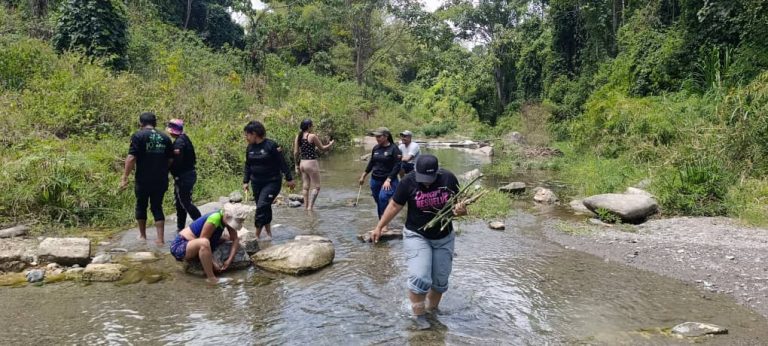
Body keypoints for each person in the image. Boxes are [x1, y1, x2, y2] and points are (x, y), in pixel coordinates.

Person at [370, 154, 467, 330]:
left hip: (443, 237)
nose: (426, 183)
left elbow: (460, 207)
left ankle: (432, 310)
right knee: (420, 277)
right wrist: (379, 227)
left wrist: (461, 211)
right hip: (417, 235)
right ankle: (419, 315)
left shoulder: (449, 178)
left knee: (440, 280)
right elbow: (394, 206)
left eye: (430, 179)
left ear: (437, 172)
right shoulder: (408, 182)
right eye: (423, 179)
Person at [120, 112, 173, 246]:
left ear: (141, 123)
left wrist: (125, 177)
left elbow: (131, 158)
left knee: (141, 205)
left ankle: (142, 236)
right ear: (155, 123)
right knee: (157, 206)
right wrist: (162, 169)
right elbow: (171, 159)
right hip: (160, 179)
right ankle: (160, 239)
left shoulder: (138, 136)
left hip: (143, 179)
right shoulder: (165, 137)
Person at [242, 120, 295, 239]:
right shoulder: (249, 147)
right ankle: (269, 234)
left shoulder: (271, 145)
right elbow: (247, 165)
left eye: (247, 134)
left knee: (261, 206)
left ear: (254, 133)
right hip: (256, 182)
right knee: (264, 207)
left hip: (272, 181)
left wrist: (289, 178)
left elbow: (282, 162)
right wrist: (246, 181)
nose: (246, 137)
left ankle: (256, 236)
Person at [170, 203, 248, 284]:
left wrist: (229, 261)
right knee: (204, 242)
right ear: (226, 216)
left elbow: (235, 239)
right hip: (180, 245)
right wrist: (213, 262)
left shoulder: (226, 219)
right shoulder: (215, 218)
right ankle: (211, 278)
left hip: (195, 243)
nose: (231, 225)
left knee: (226, 238)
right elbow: (203, 240)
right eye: (232, 222)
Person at [359, 127, 402, 222]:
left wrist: (389, 179)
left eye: (379, 136)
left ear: (386, 136)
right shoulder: (376, 148)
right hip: (375, 179)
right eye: (376, 136)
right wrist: (364, 175)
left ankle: (384, 223)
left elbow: (397, 166)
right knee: (378, 201)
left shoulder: (394, 149)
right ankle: (381, 221)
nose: (376, 138)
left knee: (383, 198)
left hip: (389, 180)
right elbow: (371, 163)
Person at [166, 118, 202, 232]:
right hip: (186, 175)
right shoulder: (184, 138)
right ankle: (180, 228)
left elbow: (177, 161)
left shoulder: (179, 142)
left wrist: (166, 169)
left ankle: (201, 225)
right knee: (180, 203)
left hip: (184, 177)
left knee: (185, 202)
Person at [293, 119, 334, 211]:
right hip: (311, 163)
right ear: (308, 126)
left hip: (302, 163)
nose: (313, 127)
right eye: (312, 125)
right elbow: (322, 148)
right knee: (317, 187)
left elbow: (296, 152)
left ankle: (305, 207)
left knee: (305, 186)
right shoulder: (312, 136)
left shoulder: (298, 136)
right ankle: (310, 208)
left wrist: (296, 165)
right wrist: (330, 144)